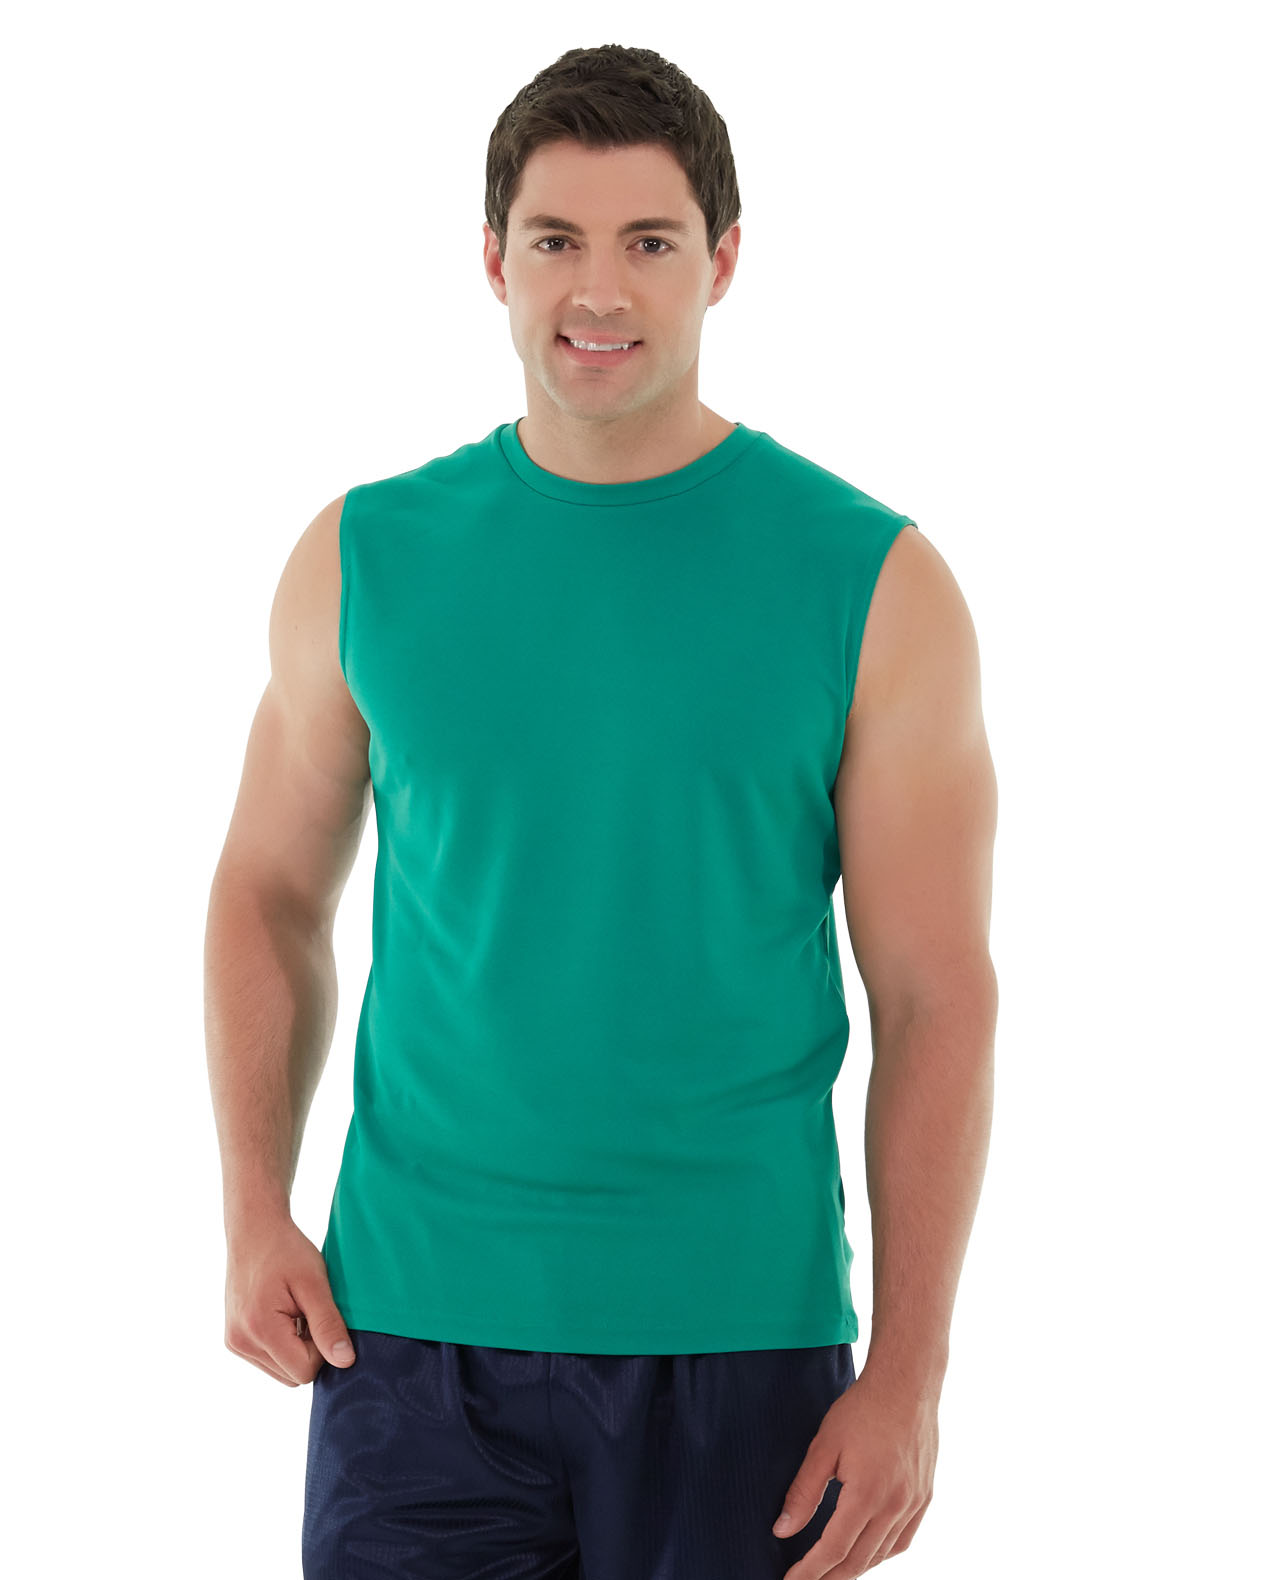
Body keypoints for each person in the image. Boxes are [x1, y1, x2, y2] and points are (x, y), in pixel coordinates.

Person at [204, 42, 997, 1580]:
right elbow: (267, 893)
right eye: (557, 239)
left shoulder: (872, 583)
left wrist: (909, 1374)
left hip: (738, 1341)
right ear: (493, 260)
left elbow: (934, 994)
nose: (599, 290)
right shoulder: (364, 557)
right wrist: (251, 1207)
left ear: (723, 262)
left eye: (649, 242)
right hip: (408, 1337)